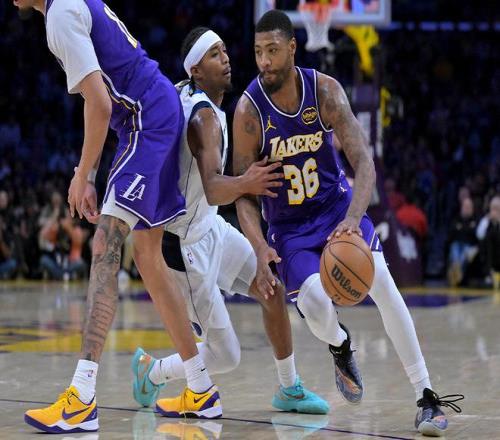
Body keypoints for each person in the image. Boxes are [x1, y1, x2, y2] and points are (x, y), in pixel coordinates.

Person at [232, 10, 463, 437]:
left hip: (337, 211)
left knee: (385, 287)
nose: (264, 61)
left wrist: (354, 218)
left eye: (273, 51)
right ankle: (341, 346)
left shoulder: (325, 91)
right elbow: (244, 195)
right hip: (290, 230)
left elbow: (364, 162)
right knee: (316, 305)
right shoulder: (249, 111)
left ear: (292, 48)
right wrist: (260, 246)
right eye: (258, 52)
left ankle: (427, 396)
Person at [15, 0, 220, 432]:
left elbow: (101, 105)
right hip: (154, 110)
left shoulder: (60, 14)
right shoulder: (68, 7)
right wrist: (86, 171)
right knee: (147, 256)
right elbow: (99, 97)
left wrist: (83, 175)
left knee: (105, 243)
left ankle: (82, 397)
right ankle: (201, 387)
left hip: (147, 119)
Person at [132, 27, 328, 417]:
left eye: (224, 50)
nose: (226, 59)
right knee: (226, 355)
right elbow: (214, 190)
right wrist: (247, 182)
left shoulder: (190, 97)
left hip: (211, 228)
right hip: (185, 247)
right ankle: (152, 371)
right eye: (214, 54)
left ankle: (289, 388)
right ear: (195, 70)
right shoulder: (204, 117)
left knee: (271, 289)